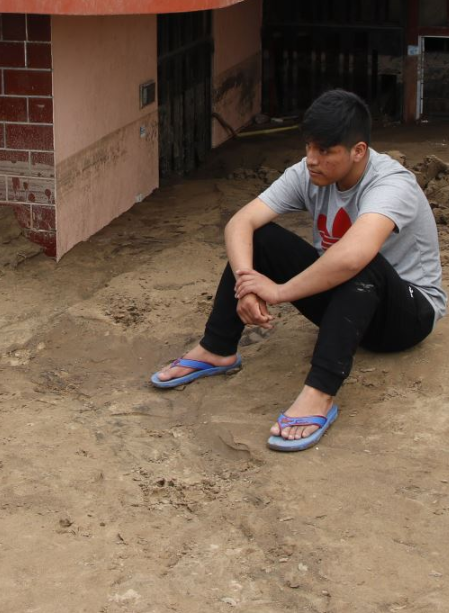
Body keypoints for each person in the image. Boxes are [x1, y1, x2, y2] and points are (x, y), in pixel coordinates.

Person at [150, 89, 440, 451]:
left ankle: (320, 393)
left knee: (364, 262)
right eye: (309, 147)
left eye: (325, 151)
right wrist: (248, 284)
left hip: (405, 317)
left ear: (358, 151)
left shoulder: (391, 184)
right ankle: (217, 348)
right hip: (346, 307)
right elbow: (240, 223)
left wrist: (279, 291)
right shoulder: (307, 173)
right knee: (263, 236)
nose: (312, 160)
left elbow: (353, 257)